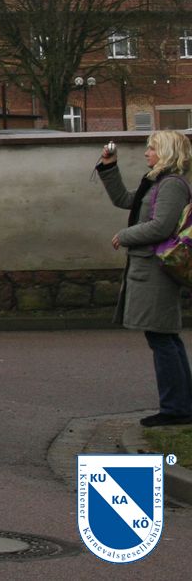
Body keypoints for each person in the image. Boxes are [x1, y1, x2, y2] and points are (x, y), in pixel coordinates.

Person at [98, 131, 192, 426]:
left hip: (156, 270)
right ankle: (181, 406)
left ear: (167, 152)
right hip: (149, 268)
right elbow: (126, 200)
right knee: (164, 336)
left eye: (151, 148)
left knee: (162, 337)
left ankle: (176, 409)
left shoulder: (172, 185)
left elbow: (161, 226)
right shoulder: (156, 182)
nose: (146, 153)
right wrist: (109, 167)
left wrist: (124, 235)